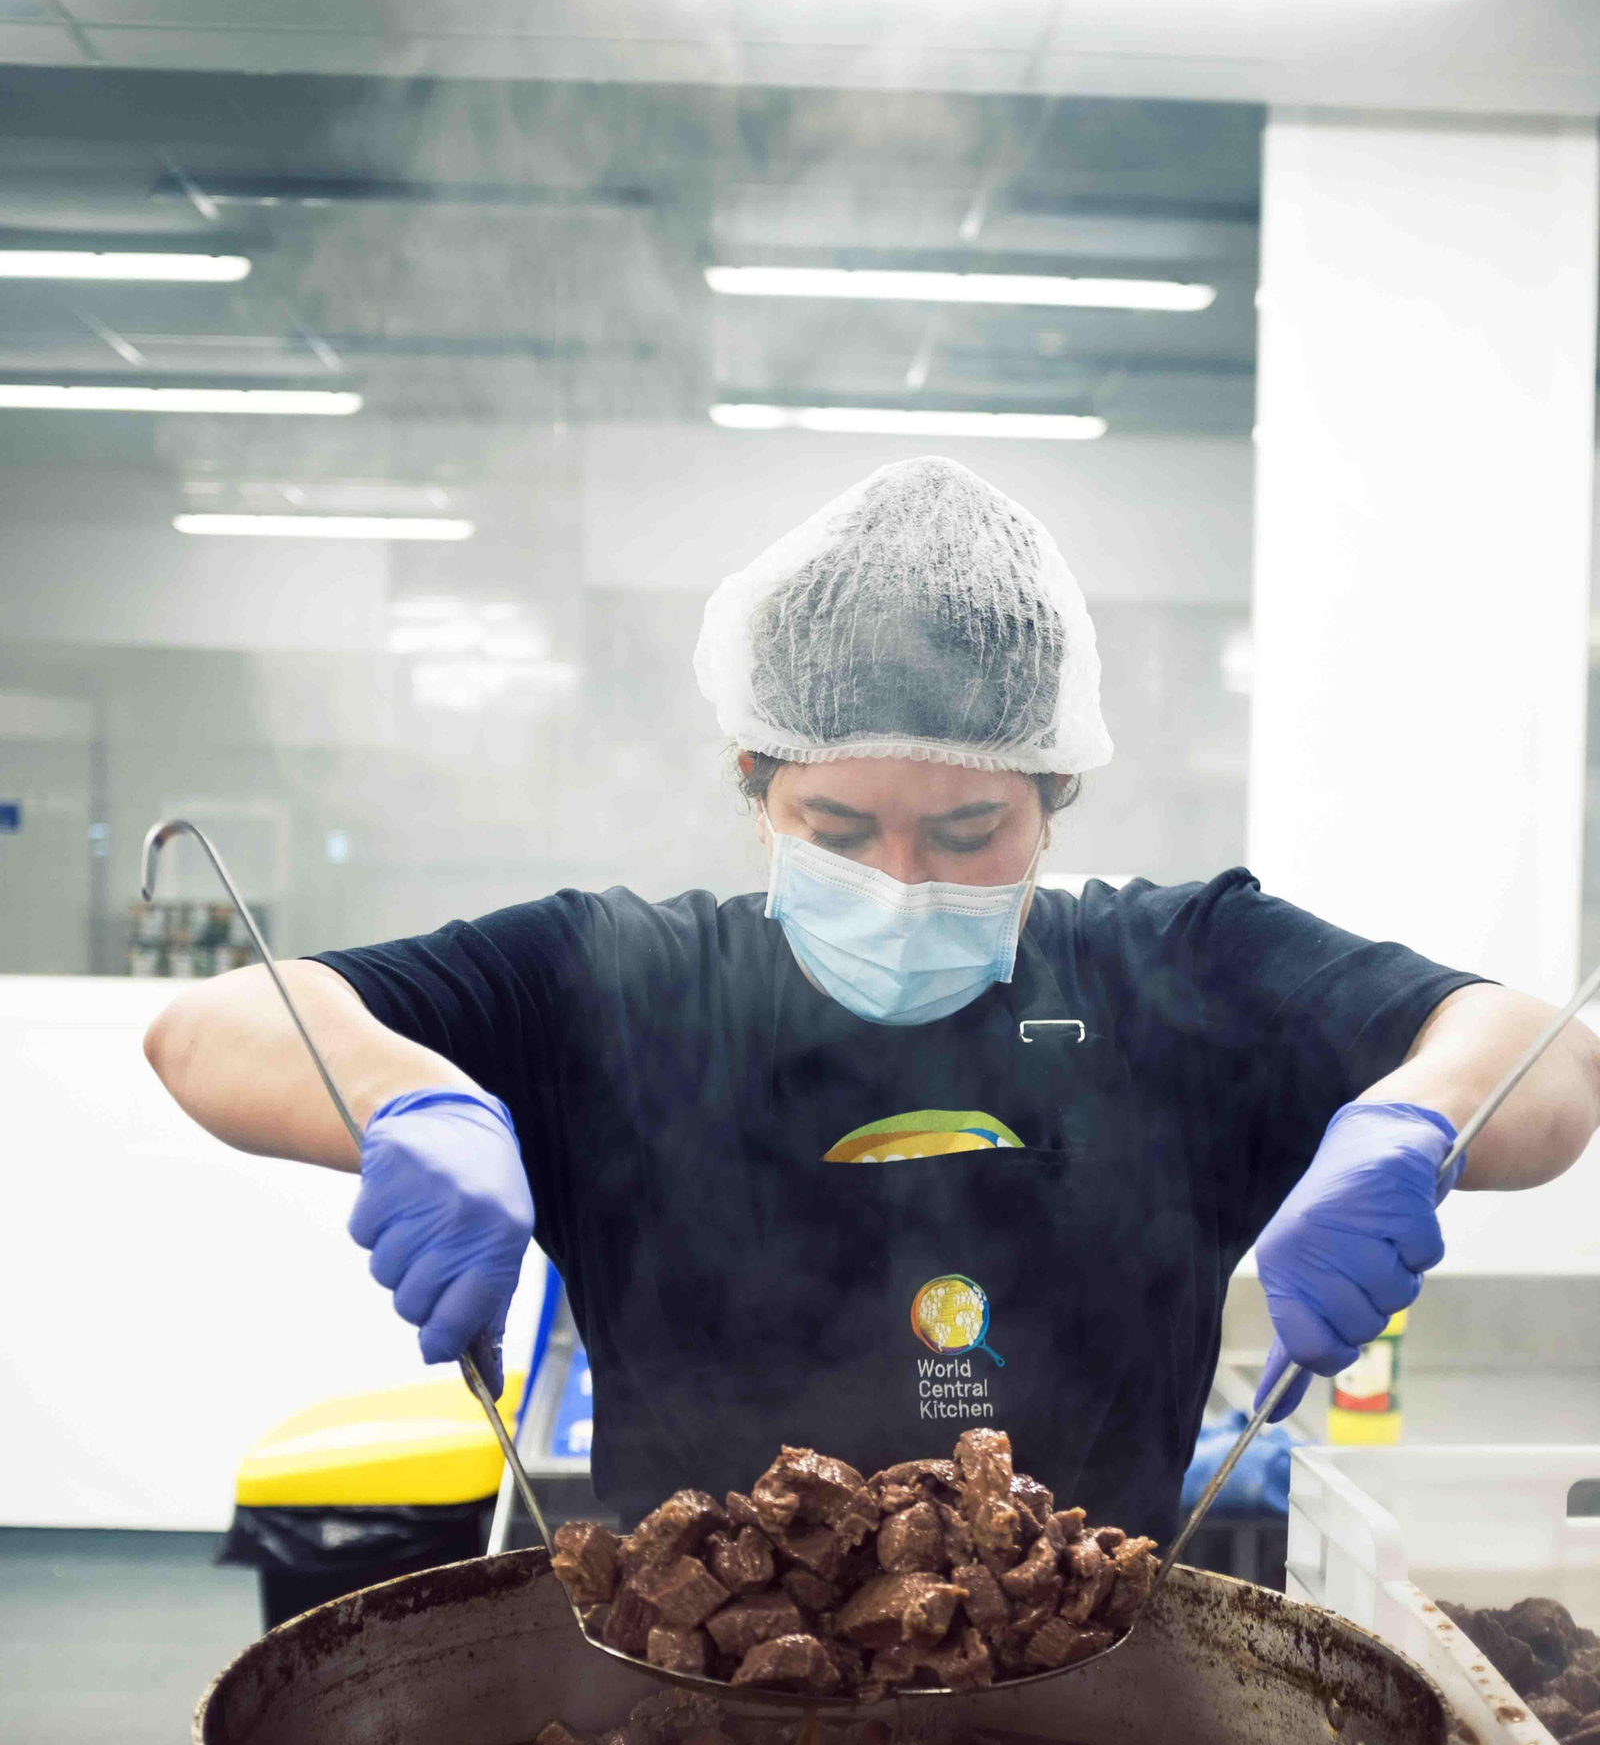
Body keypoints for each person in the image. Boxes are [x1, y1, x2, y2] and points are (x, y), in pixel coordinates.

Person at [145, 458, 1600, 1538]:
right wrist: (410, 1098)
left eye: (968, 833)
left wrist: (1418, 1122)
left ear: (1055, 795)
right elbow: (206, 1031)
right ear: (753, 785)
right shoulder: (617, 981)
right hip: (692, 1709)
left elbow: (1551, 1065)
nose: (902, 881)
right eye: (838, 832)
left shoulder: (1180, 971)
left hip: (1092, 1704)